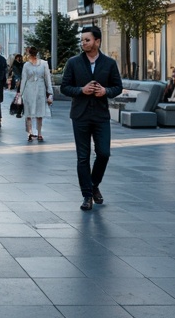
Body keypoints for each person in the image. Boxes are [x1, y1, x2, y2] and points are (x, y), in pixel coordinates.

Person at [60, 26, 123, 211]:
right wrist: (81, 90)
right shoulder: (73, 63)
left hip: (101, 115)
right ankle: (87, 195)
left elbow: (117, 87)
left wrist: (105, 91)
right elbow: (65, 87)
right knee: (83, 157)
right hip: (80, 115)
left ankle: (94, 184)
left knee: (104, 153)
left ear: (97, 41)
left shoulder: (109, 63)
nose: (83, 43)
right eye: (82, 40)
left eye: (87, 40)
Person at [18, 46, 52, 141]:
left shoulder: (44, 64)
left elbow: (47, 78)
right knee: (28, 113)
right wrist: (20, 94)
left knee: (39, 113)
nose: (32, 57)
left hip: (40, 89)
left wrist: (50, 93)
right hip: (29, 90)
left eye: (33, 55)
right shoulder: (26, 65)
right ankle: (30, 133)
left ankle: (39, 133)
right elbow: (23, 79)